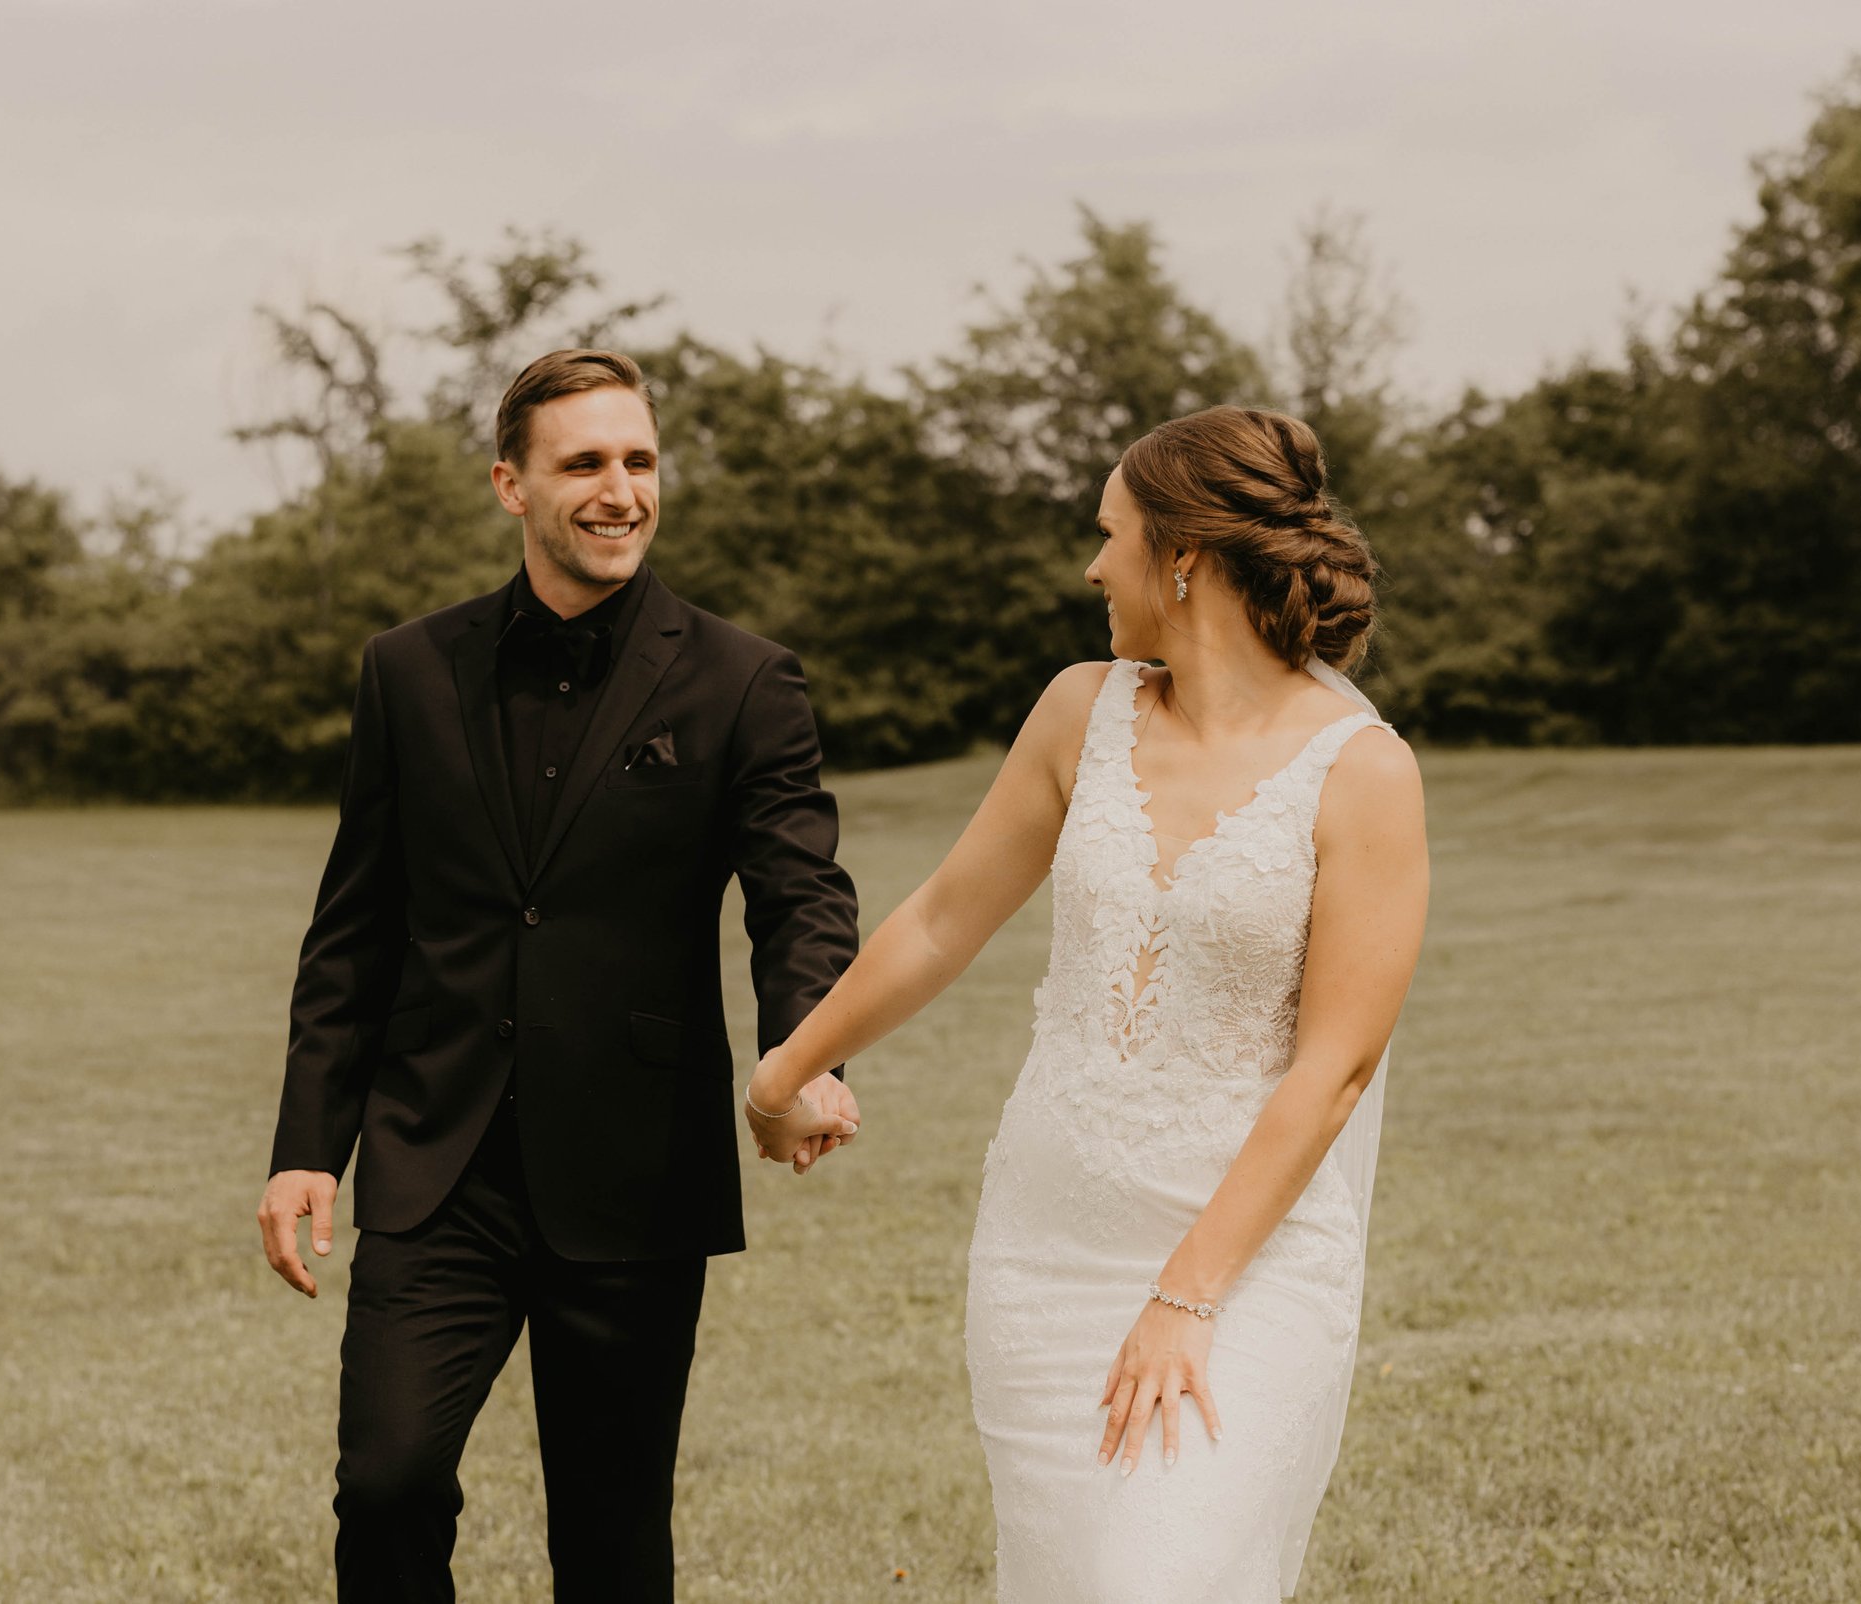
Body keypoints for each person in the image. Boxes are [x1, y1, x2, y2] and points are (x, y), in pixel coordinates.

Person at [745, 405, 1428, 1601]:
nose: (1091, 563)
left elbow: (1335, 1072)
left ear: (1183, 555)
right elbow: (944, 918)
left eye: (1108, 533)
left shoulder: (1362, 771)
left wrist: (1186, 1293)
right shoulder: (1080, 710)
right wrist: (786, 1066)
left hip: (1241, 1270)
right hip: (1043, 1252)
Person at [258, 348, 862, 1603]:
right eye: (583, 462)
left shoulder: (743, 681)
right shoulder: (408, 671)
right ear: (509, 485)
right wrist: (306, 1144)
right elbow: (354, 927)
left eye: (638, 460)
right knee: (386, 1483)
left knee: (611, 1538)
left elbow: (801, 896)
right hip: (437, 1163)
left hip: (634, 1172)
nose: (620, 489)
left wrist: (806, 1058)